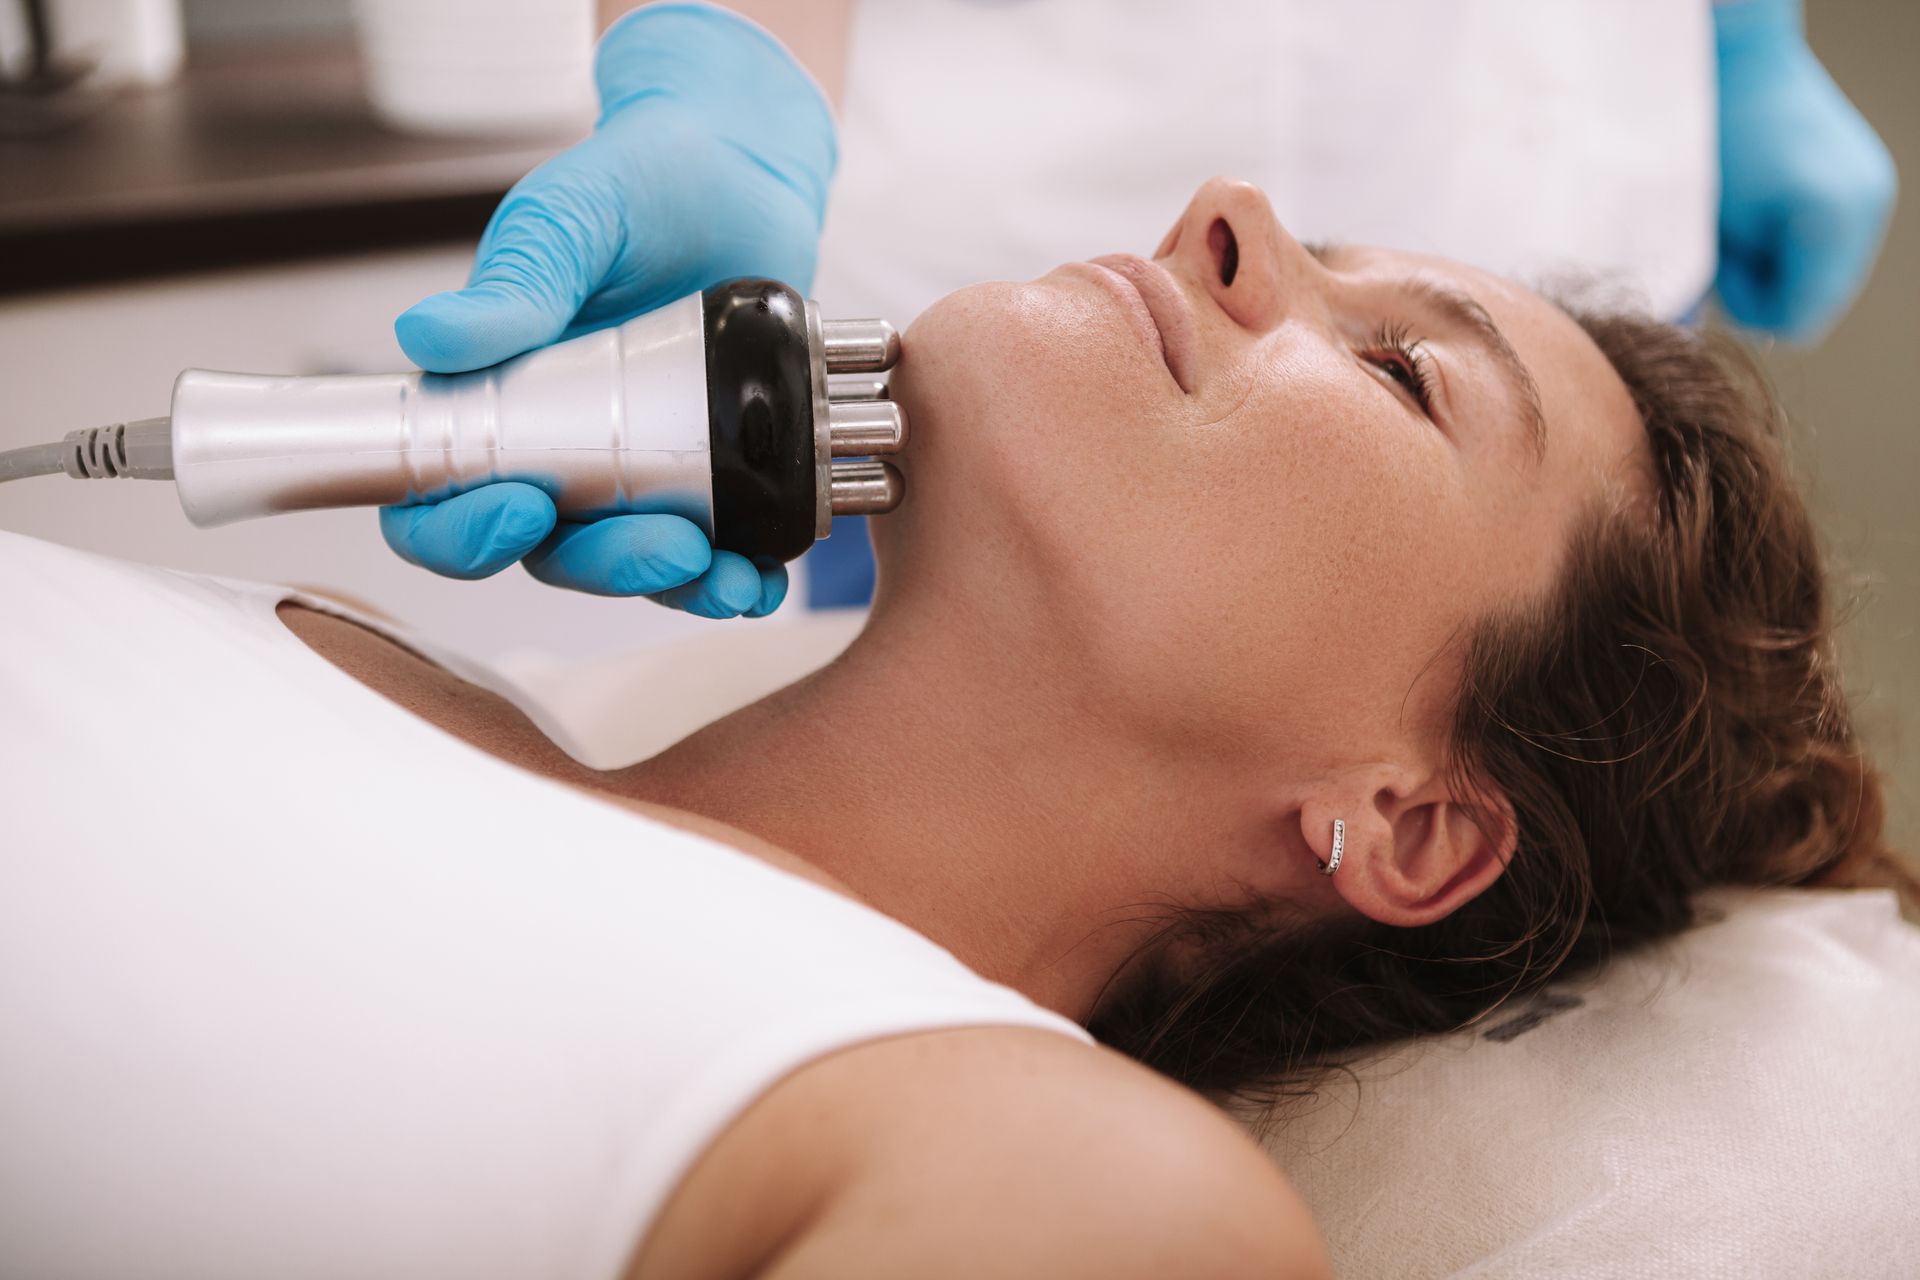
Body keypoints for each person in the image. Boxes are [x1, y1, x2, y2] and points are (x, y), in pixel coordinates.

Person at [3, 179, 1908, 1277]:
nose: (1229, 213)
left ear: (1410, 821)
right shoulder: (374, 648)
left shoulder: (1081, 1192)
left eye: (1406, 375)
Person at [376, 0, 1896, 615]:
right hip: (966, 262)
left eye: (1401, 374)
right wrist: (733, 68)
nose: (1230, 221)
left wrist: (1741, 31)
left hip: (1598, 225)